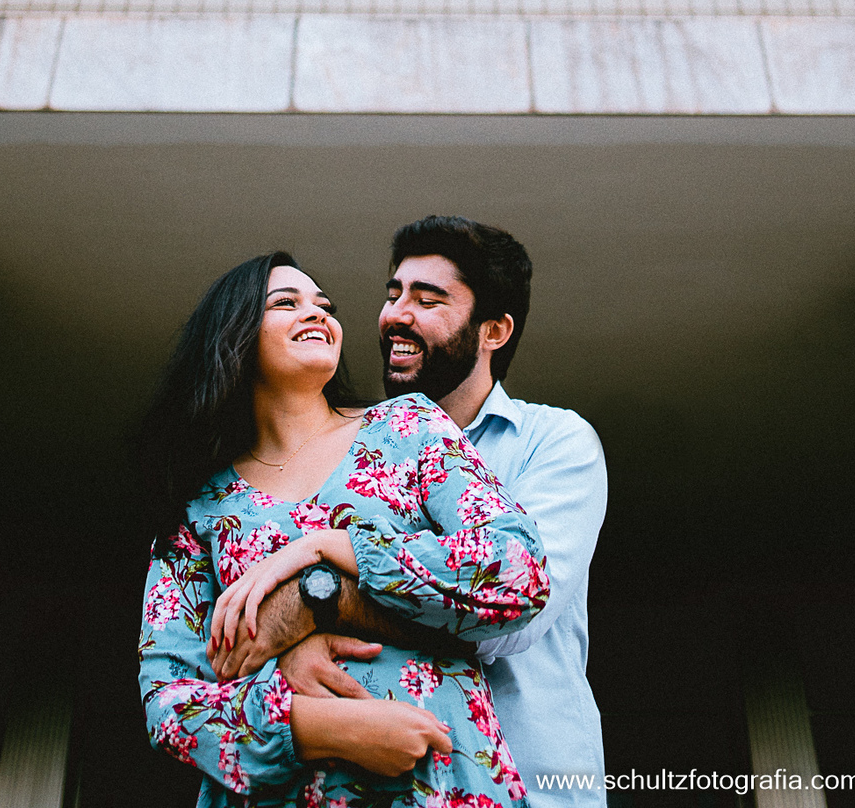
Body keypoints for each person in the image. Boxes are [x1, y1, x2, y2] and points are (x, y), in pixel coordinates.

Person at [210, 220, 608, 808]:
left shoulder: (554, 442)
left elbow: (512, 618)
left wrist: (312, 603)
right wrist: (287, 655)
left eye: (427, 299)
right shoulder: (353, 454)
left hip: (531, 782)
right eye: (393, 294)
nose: (396, 315)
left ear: (493, 330)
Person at [138, 249, 551, 808]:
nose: (318, 314)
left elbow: (517, 573)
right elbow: (171, 703)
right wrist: (321, 727)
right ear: (233, 336)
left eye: (324, 305)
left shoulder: (407, 428)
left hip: (439, 786)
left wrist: (330, 548)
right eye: (287, 303)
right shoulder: (198, 512)